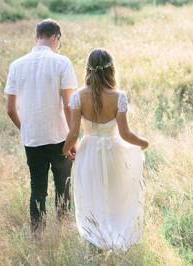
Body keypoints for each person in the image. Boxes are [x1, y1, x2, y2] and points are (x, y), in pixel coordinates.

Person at [62, 48, 149, 251]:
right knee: (114, 192)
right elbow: (126, 134)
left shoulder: (78, 97)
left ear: (88, 70)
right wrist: (143, 143)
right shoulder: (118, 96)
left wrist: (66, 150)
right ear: (111, 70)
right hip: (114, 151)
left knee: (92, 193)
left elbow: (73, 133)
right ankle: (114, 233)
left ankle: (96, 236)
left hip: (88, 151)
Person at [4, 19, 78, 235]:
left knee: (37, 188)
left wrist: (26, 128)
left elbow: (10, 109)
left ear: (37, 37)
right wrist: (73, 138)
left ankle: (38, 236)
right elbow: (68, 105)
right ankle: (62, 231)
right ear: (56, 38)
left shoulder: (17, 65)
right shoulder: (62, 62)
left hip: (32, 138)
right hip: (60, 138)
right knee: (63, 186)